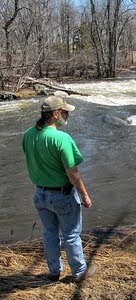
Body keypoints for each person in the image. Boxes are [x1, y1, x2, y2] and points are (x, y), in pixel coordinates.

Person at [22, 96, 95, 282]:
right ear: (55, 114)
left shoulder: (28, 134)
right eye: (64, 112)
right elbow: (73, 172)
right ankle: (79, 272)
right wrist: (85, 195)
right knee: (71, 235)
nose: (67, 115)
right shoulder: (62, 138)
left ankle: (54, 272)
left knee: (49, 233)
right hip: (62, 195)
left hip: (40, 194)